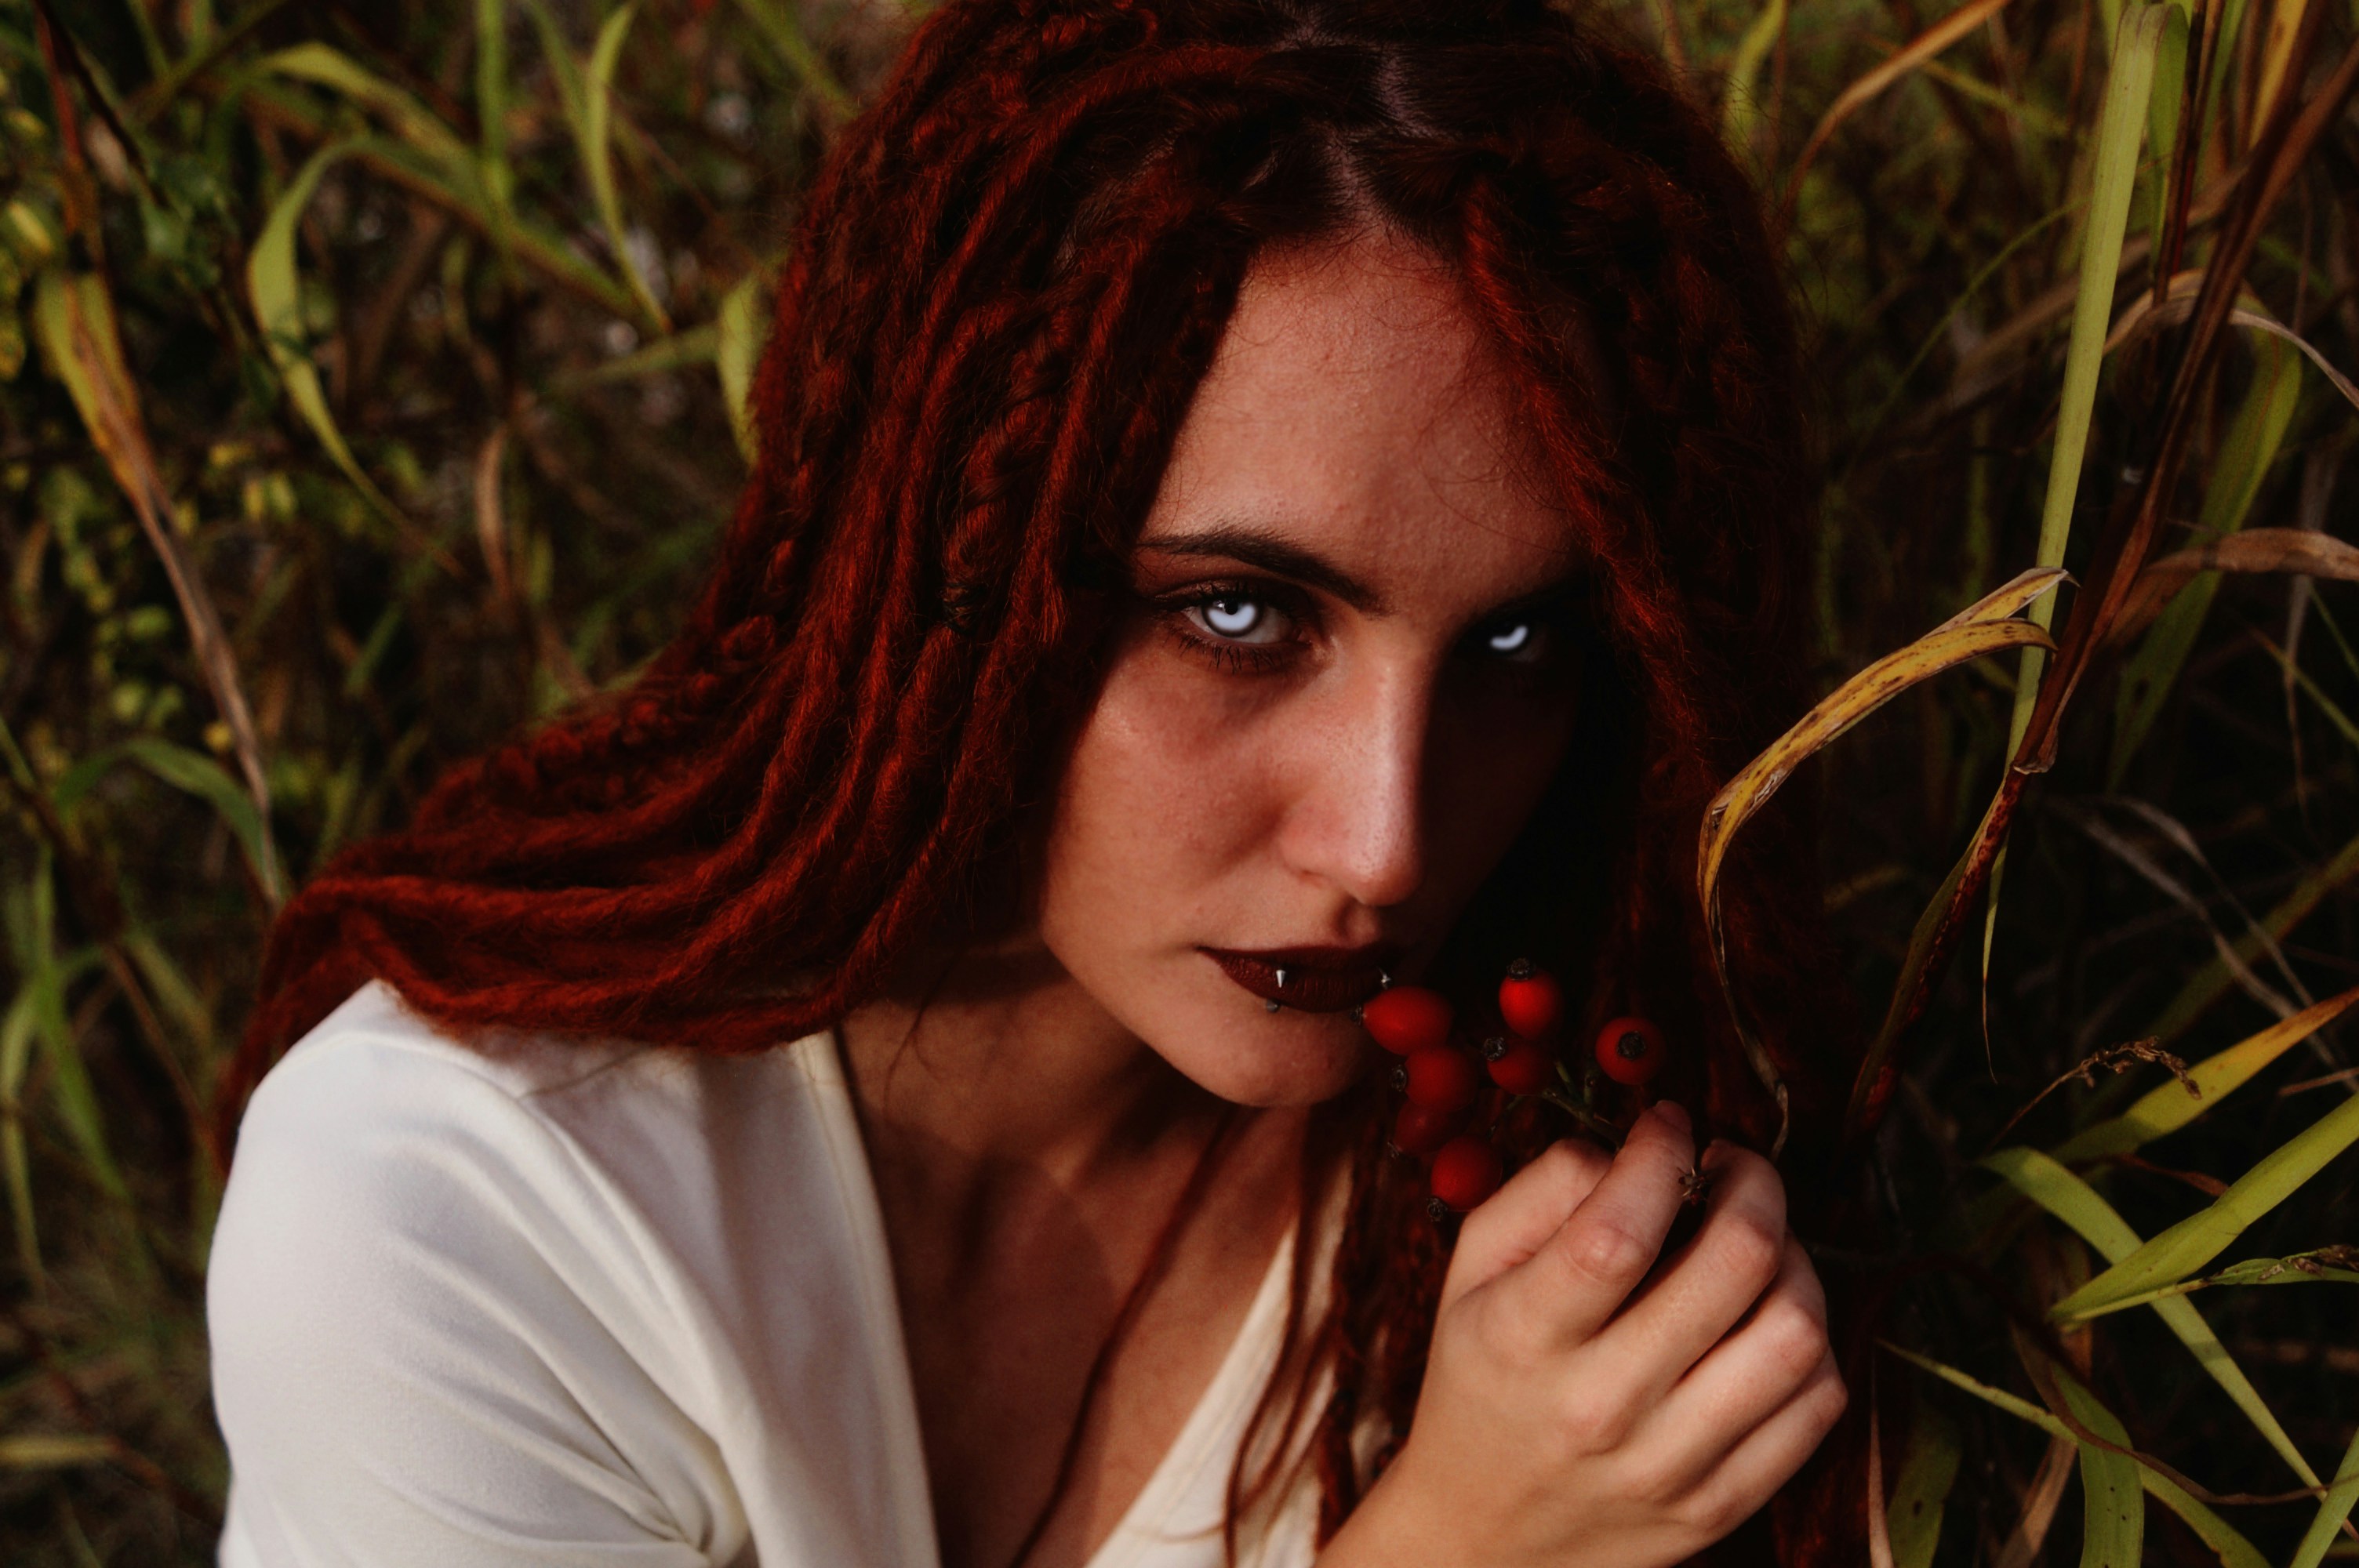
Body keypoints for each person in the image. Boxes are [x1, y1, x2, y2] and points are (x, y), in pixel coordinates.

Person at [205, 2, 1854, 1565]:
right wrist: (1465, 1538)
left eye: (1516, 643)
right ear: (950, 557)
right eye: (1238, 615)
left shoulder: (1536, 1176)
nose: (1387, 843)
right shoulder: (466, 1208)